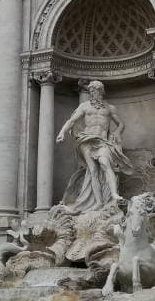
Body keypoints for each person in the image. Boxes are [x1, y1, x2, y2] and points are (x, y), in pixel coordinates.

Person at [57, 80, 133, 211]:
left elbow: (121, 124)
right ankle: (98, 202)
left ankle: (114, 194)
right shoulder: (84, 106)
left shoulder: (110, 108)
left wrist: (117, 132)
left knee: (105, 163)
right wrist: (62, 132)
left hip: (102, 140)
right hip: (86, 139)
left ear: (101, 91)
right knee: (93, 171)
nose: (93, 93)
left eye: (96, 90)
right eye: (91, 90)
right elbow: (72, 121)